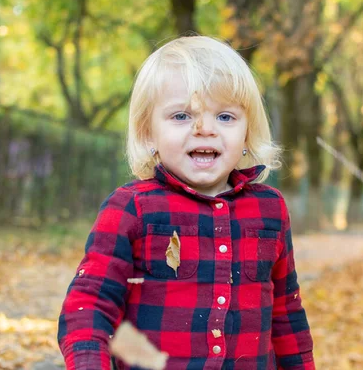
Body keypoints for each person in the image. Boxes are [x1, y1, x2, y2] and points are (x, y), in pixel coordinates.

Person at [58, 35, 315, 369]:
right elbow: (89, 306)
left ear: (248, 132)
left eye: (225, 117)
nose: (204, 129)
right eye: (181, 116)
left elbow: (286, 313)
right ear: (148, 133)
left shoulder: (270, 210)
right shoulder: (133, 207)